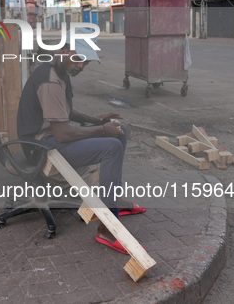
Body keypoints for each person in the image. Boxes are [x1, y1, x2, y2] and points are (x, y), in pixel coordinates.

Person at [16, 36, 145, 254]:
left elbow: (63, 111)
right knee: (111, 146)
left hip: (51, 138)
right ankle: (107, 228)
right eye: (78, 59)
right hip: (40, 147)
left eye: (85, 63)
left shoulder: (59, 71)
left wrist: (97, 120)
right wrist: (103, 130)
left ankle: (111, 201)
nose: (81, 66)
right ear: (65, 49)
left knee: (119, 133)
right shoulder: (50, 80)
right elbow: (63, 132)